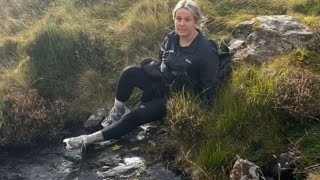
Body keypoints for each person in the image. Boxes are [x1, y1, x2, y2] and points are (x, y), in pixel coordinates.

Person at [63, 0, 220, 150]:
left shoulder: (206, 50)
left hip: (179, 97)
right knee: (129, 73)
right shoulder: (172, 38)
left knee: (136, 115)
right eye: (178, 18)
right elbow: (163, 62)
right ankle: (118, 112)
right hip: (162, 84)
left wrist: (202, 114)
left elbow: (209, 86)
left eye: (187, 19)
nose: (181, 23)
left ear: (196, 22)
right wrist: (154, 72)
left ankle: (87, 140)